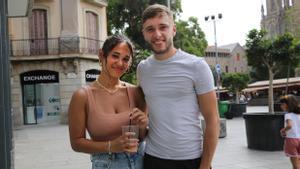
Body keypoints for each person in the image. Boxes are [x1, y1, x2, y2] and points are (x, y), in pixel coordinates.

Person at [137, 4, 219, 169]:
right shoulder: (143, 69)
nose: (157, 34)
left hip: (191, 159)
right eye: (150, 29)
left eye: (163, 27)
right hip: (153, 158)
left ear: (173, 30)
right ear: (144, 34)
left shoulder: (197, 66)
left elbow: (212, 120)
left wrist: (205, 165)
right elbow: (143, 115)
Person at [68, 34, 148, 169]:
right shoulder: (82, 96)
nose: (120, 63)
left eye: (126, 59)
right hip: (106, 164)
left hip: (140, 162)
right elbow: (76, 143)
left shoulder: (136, 92)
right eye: (115, 56)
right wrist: (111, 146)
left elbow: (142, 136)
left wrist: (143, 126)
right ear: (101, 55)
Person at [280, 94, 300, 169]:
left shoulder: (288, 115)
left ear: (287, 105)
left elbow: (289, 125)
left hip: (292, 140)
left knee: (295, 163)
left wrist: (283, 130)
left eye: (282, 104)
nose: (281, 106)